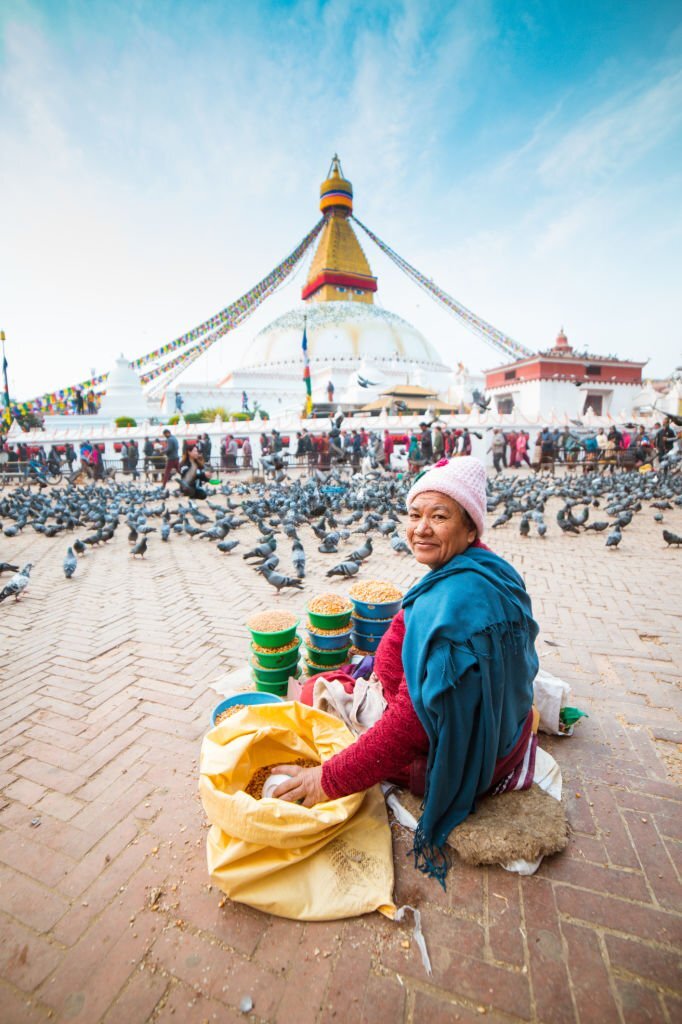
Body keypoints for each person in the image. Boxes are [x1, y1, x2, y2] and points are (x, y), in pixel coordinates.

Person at [271, 457, 539, 884]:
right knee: (344, 677)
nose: (421, 528)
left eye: (439, 516)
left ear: (471, 529)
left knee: (312, 694)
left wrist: (328, 779)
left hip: (456, 754)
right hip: (504, 730)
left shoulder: (456, 610)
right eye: (414, 515)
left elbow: (411, 725)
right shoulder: (487, 570)